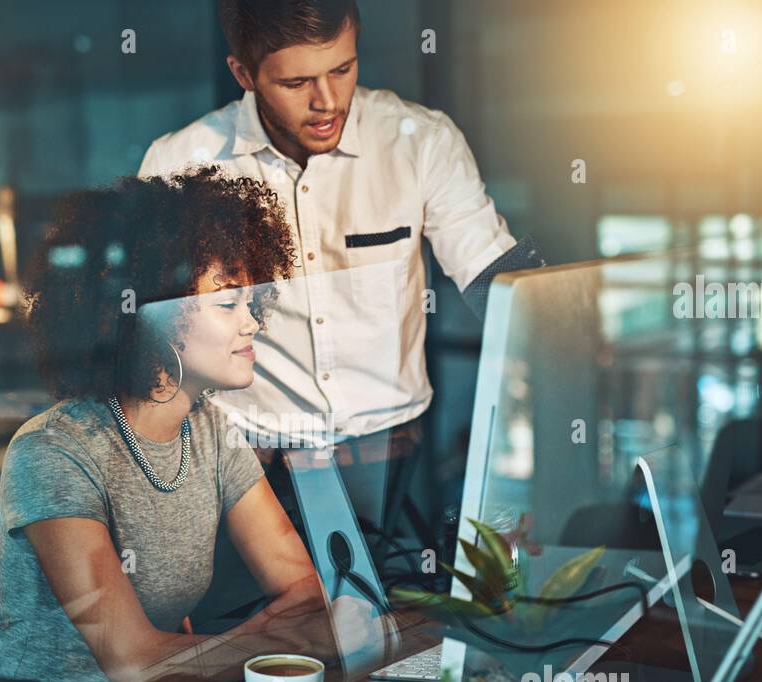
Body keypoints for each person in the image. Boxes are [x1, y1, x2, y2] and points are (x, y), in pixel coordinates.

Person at [138, 0, 527, 550]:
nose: (327, 102)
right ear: (243, 75)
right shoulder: (180, 164)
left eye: (342, 70)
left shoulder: (421, 141)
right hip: (243, 457)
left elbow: (495, 280)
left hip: (390, 451)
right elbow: (156, 340)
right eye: (297, 82)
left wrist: (554, 352)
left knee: (400, 621)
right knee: (267, 631)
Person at [0, 167, 368, 682]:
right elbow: (135, 664)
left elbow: (304, 590)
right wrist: (279, 644)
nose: (251, 322)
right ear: (150, 317)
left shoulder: (210, 432)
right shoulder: (54, 452)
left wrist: (213, 650)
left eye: (250, 301)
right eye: (228, 303)